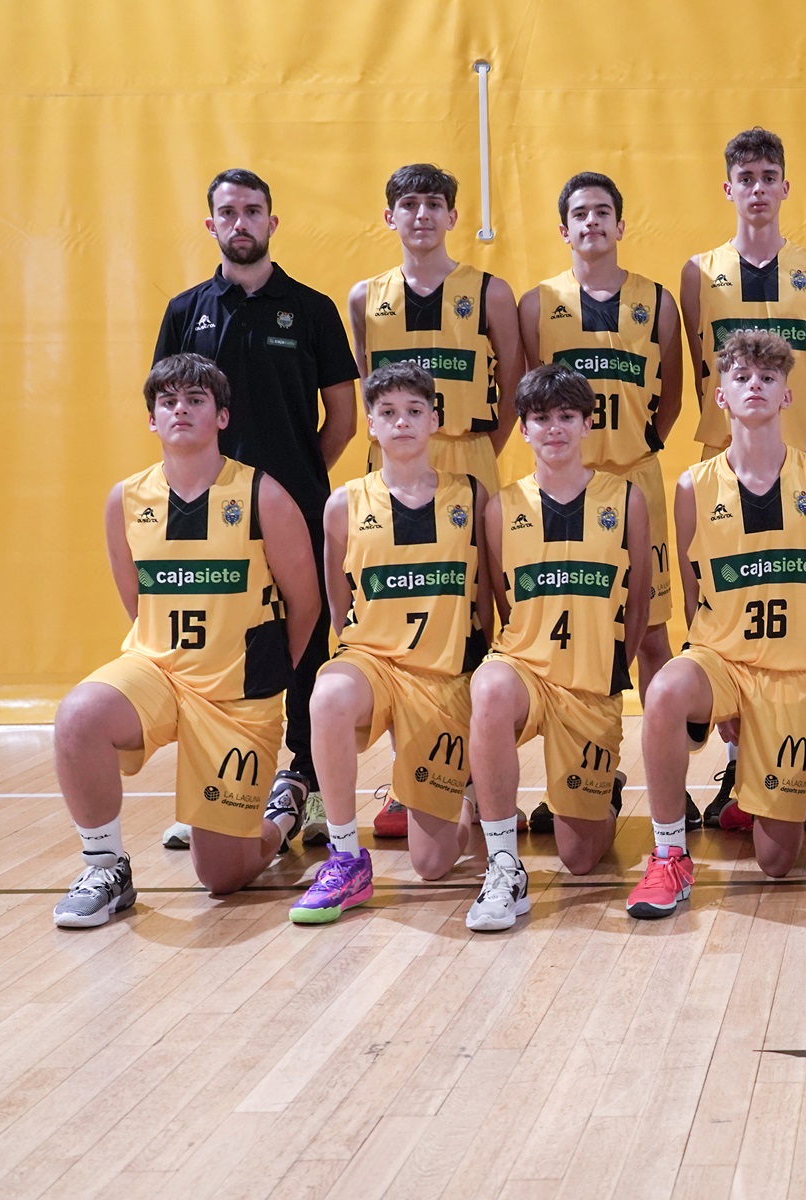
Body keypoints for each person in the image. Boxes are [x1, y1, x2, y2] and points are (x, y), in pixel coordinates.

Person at [52, 355, 320, 926]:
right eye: (168, 401)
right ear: (152, 419)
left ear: (222, 416)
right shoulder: (125, 499)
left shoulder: (263, 495)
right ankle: (105, 867)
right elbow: (138, 602)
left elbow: (306, 604)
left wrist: (265, 678)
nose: (181, 409)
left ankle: (283, 812)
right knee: (78, 715)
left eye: (196, 399)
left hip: (237, 699)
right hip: (160, 674)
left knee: (221, 876)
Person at [153, 168, 358, 853]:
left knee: (307, 639)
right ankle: (214, 794)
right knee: (217, 645)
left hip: (296, 505)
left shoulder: (312, 308)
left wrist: (292, 483)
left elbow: (343, 418)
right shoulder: (186, 311)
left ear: (272, 222)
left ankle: (313, 787)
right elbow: (170, 410)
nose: (240, 222)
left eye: (252, 210)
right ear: (210, 224)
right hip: (212, 516)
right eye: (228, 212)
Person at [624, 331, 806, 919]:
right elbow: (695, 595)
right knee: (666, 688)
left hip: (789, 673)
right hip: (720, 659)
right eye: (742, 377)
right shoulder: (692, 485)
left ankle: (754, 780)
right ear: (720, 395)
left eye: (768, 378)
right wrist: (718, 685)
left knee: (777, 861)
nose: (755, 386)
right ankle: (669, 855)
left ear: (788, 395)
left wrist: (794, 665)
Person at [349, 162, 524, 839]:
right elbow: (369, 389)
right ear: (389, 216)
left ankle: (480, 781)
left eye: (433, 204)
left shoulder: (490, 291)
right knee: (398, 616)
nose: (420, 214)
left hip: (468, 455)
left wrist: (477, 449)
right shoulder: (365, 297)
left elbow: (515, 385)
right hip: (393, 465)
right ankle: (409, 782)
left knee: (475, 611)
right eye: (408, 204)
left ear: (452, 216)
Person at [287, 361, 493, 924]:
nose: (401, 422)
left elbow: (486, 600)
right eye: (388, 412)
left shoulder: (471, 496)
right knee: (329, 695)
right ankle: (345, 857)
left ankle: (463, 794)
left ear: (434, 420)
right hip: (374, 664)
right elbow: (338, 604)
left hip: (442, 679)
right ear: (372, 425)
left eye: (414, 411)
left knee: (433, 863)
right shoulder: (344, 503)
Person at [680, 128, 806, 829]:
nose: (756, 188)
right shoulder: (699, 272)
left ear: (785, 186)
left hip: (794, 459)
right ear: (728, 188)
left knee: (796, 619)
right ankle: (736, 768)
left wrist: (791, 431)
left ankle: (792, 770)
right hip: (728, 468)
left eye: (767, 176)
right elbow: (699, 371)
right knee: (728, 614)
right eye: (744, 177)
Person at [520, 171, 689, 834]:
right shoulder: (538, 304)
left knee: (651, 634)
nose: (592, 222)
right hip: (568, 486)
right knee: (574, 632)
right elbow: (533, 399)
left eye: (603, 212)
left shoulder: (658, 301)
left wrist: (636, 447)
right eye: (580, 214)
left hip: (635, 479)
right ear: (564, 229)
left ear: (621, 225)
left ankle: (671, 785)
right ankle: (589, 773)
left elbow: (671, 397)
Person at [463, 364, 652, 931]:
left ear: (588, 423)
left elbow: (638, 604)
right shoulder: (500, 506)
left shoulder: (627, 499)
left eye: (567, 416)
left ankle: (605, 787)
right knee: (490, 687)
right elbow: (501, 600)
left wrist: (608, 673)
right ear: (522, 429)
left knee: (580, 856)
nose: (554, 429)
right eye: (541, 418)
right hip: (526, 670)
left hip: (590, 688)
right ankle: (504, 864)